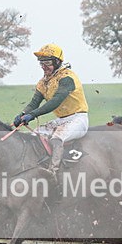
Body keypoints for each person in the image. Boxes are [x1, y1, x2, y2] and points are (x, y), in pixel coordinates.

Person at [12, 44, 89, 182]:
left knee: (56, 139)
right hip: (61, 120)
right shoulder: (43, 82)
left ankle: (53, 174)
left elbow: (55, 101)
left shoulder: (67, 78)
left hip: (78, 119)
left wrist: (33, 115)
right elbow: (34, 103)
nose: (44, 66)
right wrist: (22, 114)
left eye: (47, 62)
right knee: (35, 134)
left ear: (57, 62)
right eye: (41, 63)